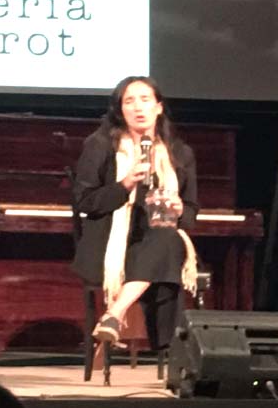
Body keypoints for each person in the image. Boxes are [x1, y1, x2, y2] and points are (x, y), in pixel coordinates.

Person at [70, 76, 199, 350]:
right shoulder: (101, 145)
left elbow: (191, 211)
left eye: (145, 100)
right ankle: (169, 351)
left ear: (158, 107)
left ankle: (114, 315)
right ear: (120, 110)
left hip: (157, 243)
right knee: (167, 256)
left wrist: (179, 209)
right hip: (109, 245)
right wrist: (125, 185)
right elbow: (85, 201)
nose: (138, 107)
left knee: (167, 238)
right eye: (129, 101)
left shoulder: (180, 152)